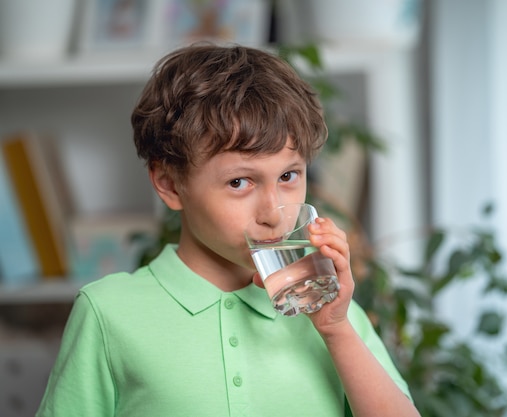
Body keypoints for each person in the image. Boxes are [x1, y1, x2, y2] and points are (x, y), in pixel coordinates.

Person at [36, 43, 421, 417]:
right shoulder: (109, 312)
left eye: (288, 175)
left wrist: (336, 330)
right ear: (170, 184)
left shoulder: (333, 310)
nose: (273, 213)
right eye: (240, 182)